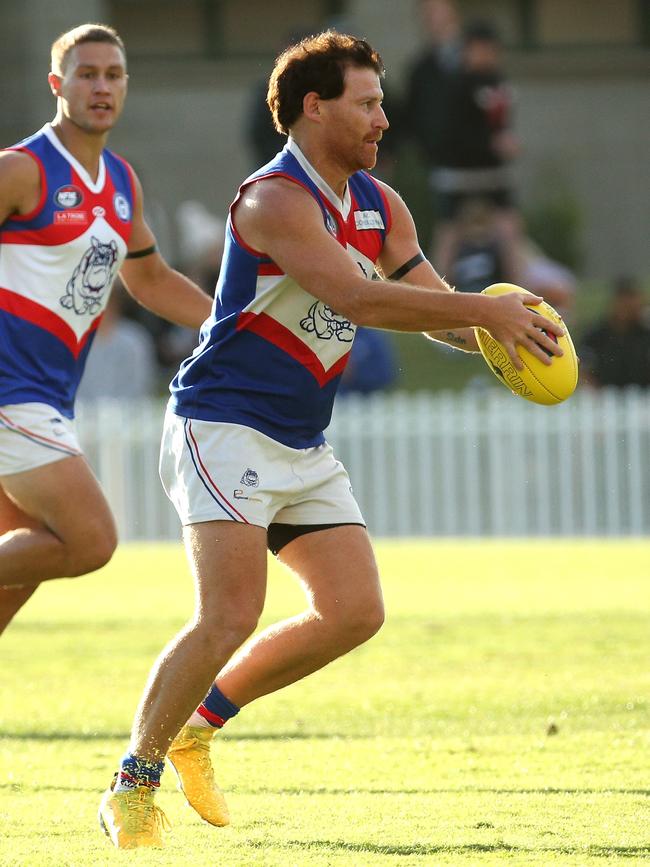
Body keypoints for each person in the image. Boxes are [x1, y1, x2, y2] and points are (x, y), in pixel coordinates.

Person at [99, 30, 563, 849]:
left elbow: (432, 307)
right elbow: (361, 300)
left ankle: (198, 727)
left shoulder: (382, 205)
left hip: (299, 437)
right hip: (223, 423)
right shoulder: (273, 200)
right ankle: (131, 783)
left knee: (355, 611)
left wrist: (501, 335)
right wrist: (485, 309)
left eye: (382, 102)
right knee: (229, 615)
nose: (385, 118)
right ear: (314, 108)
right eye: (369, 102)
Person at [0, 23, 213, 634]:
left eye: (113, 75)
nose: (102, 86)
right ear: (56, 85)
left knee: (23, 561)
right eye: (87, 74)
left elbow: (151, 282)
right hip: (11, 394)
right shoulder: (21, 170)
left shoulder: (121, 182)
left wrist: (234, 326)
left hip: (43, 397)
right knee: (89, 539)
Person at [76, 278, 158, 402]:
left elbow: (141, 387)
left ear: (115, 303)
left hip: (128, 417)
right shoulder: (76, 342)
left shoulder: (135, 340)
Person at [579, 277, 650, 388]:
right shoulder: (595, 335)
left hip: (642, 397)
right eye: (623, 302)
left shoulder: (645, 333)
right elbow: (584, 369)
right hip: (603, 398)